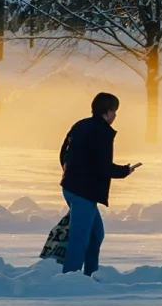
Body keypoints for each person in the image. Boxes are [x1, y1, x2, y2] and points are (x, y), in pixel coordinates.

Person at [59, 91, 140, 275]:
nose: (116, 116)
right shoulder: (102, 132)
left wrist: (69, 172)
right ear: (108, 111)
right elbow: (103, 167)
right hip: (83, 192)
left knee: (95, 235)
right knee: (80, 239)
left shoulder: (80, 125)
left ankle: (90, 275)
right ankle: (69, 279)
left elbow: (63, 152)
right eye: (115, 111)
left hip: (71, 187)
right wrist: (124, 171)